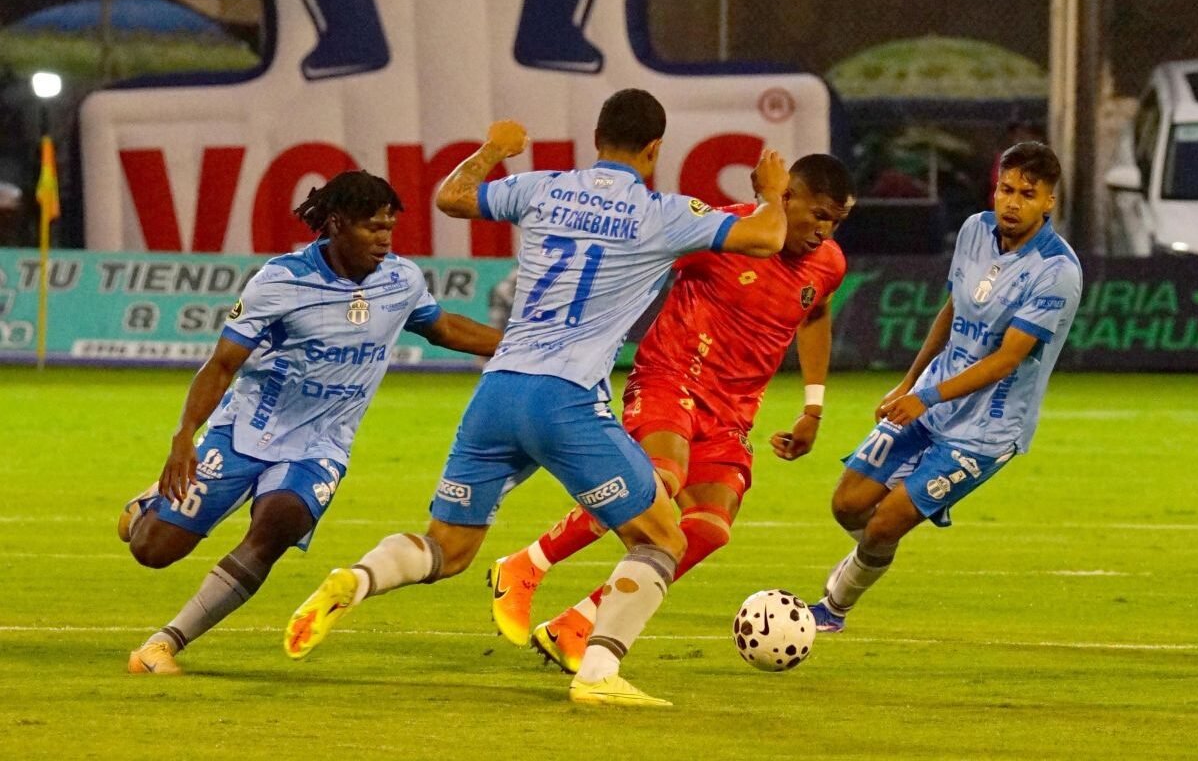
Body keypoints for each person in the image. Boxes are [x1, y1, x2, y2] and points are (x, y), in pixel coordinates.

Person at [284, 88, 792, 707]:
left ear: (597, 138)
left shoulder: (544, 187)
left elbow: (452, 196)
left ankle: (358, 577)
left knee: (448, 548)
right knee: (663, 537)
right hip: (566, 399)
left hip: (497, 390)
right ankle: (599, 675)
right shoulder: (663, 212)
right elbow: (767, 238)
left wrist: (492, 150)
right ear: (655, 148)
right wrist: (771, 189)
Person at [119, 170, 502, 674]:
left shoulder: (401, 280)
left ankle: (164, 644)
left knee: (277, 527)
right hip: (244, 434)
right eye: (372, 228)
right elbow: (222, 366)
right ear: (337, 224)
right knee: (153, 550)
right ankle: (149, 503)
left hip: (322, 446)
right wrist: (183, 438)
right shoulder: (280, 282)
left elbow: (444, 327)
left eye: (390, 227)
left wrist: (526, 347)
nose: (385, 239)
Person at [486, 154, 856, 674]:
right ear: (785, 196)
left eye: (835, 221)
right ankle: (528, 566)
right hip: (670, 378)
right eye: (817, 215)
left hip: (731, 414)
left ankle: (580, 621)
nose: (823, 231)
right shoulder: (724, 230)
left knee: (708, 527)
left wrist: (812, 407)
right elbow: (639, 257)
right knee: (658, 480)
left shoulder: (828, 264)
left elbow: (814, 314)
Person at [806, 141, 1081, 632]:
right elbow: (953, 309)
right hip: (929, 399)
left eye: (1027, 194)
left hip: (986, 429)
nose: (1012, 203)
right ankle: (871, 554)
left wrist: (925, 397)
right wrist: (909, 382)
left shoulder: (1057, 272)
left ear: (1049, 202)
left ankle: (834, 607)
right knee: (847, 504)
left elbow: (1006, 359)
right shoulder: (976, 230)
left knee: (886, 522)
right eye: (1006, 189)